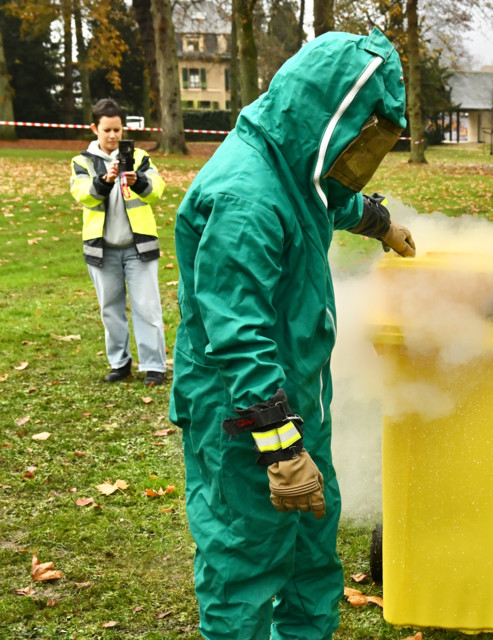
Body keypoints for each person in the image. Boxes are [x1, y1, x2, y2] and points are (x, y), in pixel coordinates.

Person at [168, 28, 414, 640]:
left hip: (297, 404)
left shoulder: (289, 165)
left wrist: (379, 222)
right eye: (360, 133)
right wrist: (280, 450)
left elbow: (322, 196)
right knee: (243, 568)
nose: (359, 151)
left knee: (311, 561)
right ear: (327, 115)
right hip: (244, 422)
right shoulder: (245, 196)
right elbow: (237, 334)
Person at [70, 98, 168, 387]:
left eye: (118, 129)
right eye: (107, 130)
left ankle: (154, 366)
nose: (113, 136)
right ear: (94, 128)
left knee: (147, 307)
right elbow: (82, 194)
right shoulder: (82, 161)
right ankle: (119, 363)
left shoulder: (139, 158)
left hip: (139, 248)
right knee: (110, 308)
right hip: (102, 250)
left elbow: (157, 190)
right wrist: (104, 180)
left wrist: (138, 181)